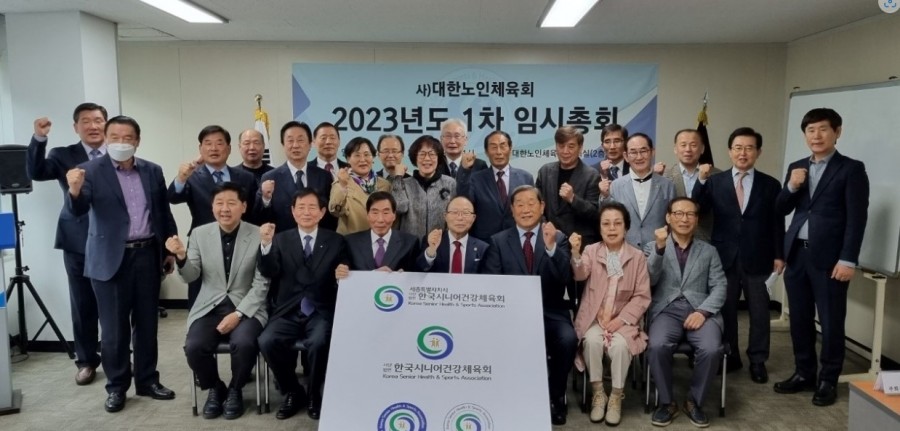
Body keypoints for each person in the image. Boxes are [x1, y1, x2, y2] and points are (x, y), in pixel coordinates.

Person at [65, 115, 178, 413]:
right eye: (114, 137)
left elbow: (162, 211)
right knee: (114, 330)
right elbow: (78, 210)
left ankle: (148, 380)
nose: (121, 142)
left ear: (137, 141)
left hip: (147, 254)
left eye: (128, 137)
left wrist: (168, 248)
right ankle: (116, 387)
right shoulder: (89, 171)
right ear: (105, 138)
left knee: (147, 324)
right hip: (110, 258)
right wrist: (74, 190)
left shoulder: (152, 170)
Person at [773, 108, 869, 407]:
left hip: (830, 259)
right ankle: (804, 373)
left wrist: (848, 259)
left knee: (830, 322)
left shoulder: (851, 169)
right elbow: (780, 208)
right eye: (810, 130)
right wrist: (791, 186)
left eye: (823, 129)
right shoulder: (797, 166)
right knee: (800, 320)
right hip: (797, 256)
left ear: (837, 132)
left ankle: (828, 379)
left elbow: (857, 219)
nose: (816, 135)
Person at [166, 182, 268, 420]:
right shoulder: (200, 234)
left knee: (244, 343)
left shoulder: (258, 234)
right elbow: (190, 276)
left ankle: (235, 390)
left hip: (247, 307)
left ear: (244, 206)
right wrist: (181, 257)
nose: (225, 209)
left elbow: (262, 283)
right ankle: (215, 387)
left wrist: (239, 314)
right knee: (194, 347)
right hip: (210, 306)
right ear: (212, 207)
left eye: (231, 203)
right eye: (219, 203)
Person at [25, 103, 107, 385]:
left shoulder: (118, 153)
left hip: (112, 240)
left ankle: (117, 356)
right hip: (77, 240)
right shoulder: (63, 155)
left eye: (98, 120)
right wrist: (39, 138)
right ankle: (86, 361)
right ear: (76, 127)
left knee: (114, 304)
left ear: (106, 124)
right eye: (86, 121)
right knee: (82, 304)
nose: (93, 126)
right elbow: (36, 172)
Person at [482, 185, 577, 426]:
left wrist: (551, 248)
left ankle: (555, 397)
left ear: (542, 207)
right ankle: (512, 397)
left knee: (567, 339)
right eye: (520, 204)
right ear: (512, 210)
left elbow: (565, 278)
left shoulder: (558, 238)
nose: (526, 209)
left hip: (550, 311)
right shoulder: (498, 241)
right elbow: (492, 284)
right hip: (511, 315)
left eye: (531, 203)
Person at [694, 127, 784, 382]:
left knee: (760, 312)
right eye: (738, 148)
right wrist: (701, 181)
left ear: (758, 152)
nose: (743, 153)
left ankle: (758, 360)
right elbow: (698, 209)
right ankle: (730, 355)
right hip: (724, 257)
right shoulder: (715, 181)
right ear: (729, 151)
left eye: (749, 148)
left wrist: (779, 255)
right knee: (726, 310)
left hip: (760, 256)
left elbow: (777, 222)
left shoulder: (770, 184)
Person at [257, 189, 348, 421]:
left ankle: (314, 395)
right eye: (301, 207)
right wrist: (265, 245)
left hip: (319, 310)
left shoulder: (335, 240)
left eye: (312, 207)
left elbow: (344, 271)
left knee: (318, 342)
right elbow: (269, 271)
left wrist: (342, 273)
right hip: (287, 310)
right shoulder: (280, 239)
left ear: (322, 212)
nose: (306, 212)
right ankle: (292, 391)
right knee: (267, 340)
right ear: (293, 211)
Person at [645, 197, 726, 428]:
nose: (684, 219)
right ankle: (667, 402)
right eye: (678, 213)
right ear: (668, 217)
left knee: (712, 349)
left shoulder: (709, 250)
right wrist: (659, 249)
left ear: (697, 219)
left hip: (700, 311)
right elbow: (649, 280)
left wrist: (703, 311)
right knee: (657, 345)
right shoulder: (653, 247)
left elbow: (720, 285)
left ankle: (694, 402)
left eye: (690, 214)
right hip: (666, 310)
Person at [570, 201, 650, 426]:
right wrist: (575, 252)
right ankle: (598, 393)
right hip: (594, 318)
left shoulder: (637, 257)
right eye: (606, 224)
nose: (612, 228)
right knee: (592, 341)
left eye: (617, 223)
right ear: (600, 227)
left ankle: (615, 396)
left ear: (626, 227)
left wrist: (621, 320)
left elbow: (642, 296)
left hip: (624, 321)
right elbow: (580, 274)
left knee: (620, 346)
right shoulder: (591, 250)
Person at [168, 125, 259, 307]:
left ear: (229, 148)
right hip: (203, 244)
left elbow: (253, 212)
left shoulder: (245, 177)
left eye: (219, 143)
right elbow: (173, 197)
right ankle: (198, 321)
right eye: (208, 143)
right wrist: (181, 179)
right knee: (199, 291)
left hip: (240, 244)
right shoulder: (192, 177)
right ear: (200, 148)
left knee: (240, 292)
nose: (214, 148)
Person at [599, 133, 675, 250]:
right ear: (626, 156)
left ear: (652, 152)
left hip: (659, 250)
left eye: (643, 151)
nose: (639, 157)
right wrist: (604, 196)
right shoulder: (616, 185)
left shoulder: (667, 185)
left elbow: (673, 222)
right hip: (624, 251)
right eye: (633, 152)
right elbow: (607, 218)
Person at [458, 130, 534, 241]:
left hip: (517, 241)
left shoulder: (525, 178)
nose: (499, 152)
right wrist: (465, 170)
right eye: (493, 147)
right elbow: (464, 203)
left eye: (503, 146)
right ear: (486, 152)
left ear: (510, 149)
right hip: (485, 243)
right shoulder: (476, 179)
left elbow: (533, 211)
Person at [258, 121, 333, 232]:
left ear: (310, 144)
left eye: (300, 140)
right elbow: (259, 217)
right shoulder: (270, 177)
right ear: (283, 145)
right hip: (283, 239)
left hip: (318, 239)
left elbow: (330, 217)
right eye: (290, 141)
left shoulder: (324, 176)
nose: (295, 145)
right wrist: (265, 199)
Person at [535, 126, 601, 247]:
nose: (565, 151)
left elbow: (595, 213)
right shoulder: (545, 171)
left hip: (580, 244)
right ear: (556, 146)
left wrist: (573, 199)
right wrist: (547, 227)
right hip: (549, 241)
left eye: (571, 146)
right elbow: (537, 206)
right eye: (561, 146)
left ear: (580, 148)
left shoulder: (592, 175)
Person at [659, 129, 720, 241]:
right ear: (675, 149)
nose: (688, 149)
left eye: (693, 145)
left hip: (707, 240)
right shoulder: (664, 176)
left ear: (702, 149)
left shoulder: (717, 175)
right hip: (673, 241)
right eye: (683, 145)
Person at [337, 191, 419, 273]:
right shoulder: (351, 243)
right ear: (367, 215)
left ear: (394, 215)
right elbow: (343, 271)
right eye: (375, 213)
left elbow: (417, 274)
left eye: (386, 213)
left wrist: (405, 276)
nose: (380, 220)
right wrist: (341, 272)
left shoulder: (409, 243)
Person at [393, 135, 457, 239]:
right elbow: (400, 208)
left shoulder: (450, 183)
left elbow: (454, 216)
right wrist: (398, 177)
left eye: (432, 154)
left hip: (440, 244)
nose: (427, 159)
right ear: (415, 158)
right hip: (410, 244)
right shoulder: (404, 183)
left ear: (439, 157)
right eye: (422, 154)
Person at [328, 137, 392, 234]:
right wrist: (343, 186)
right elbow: (335, 211)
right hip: (350, 239)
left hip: (378, 239)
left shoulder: (385, 184)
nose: (362, 160)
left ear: (373, 158)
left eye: (366, 154)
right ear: (348, 159)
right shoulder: (341, 182)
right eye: (357, 155)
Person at [417, 195, 489, 274]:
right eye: (454, 212)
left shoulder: (482, 248)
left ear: (473, 218)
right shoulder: (432, 240)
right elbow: (419, 270)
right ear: (445, 216)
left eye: (466, 213)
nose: (460, 218)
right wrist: (431, 251)